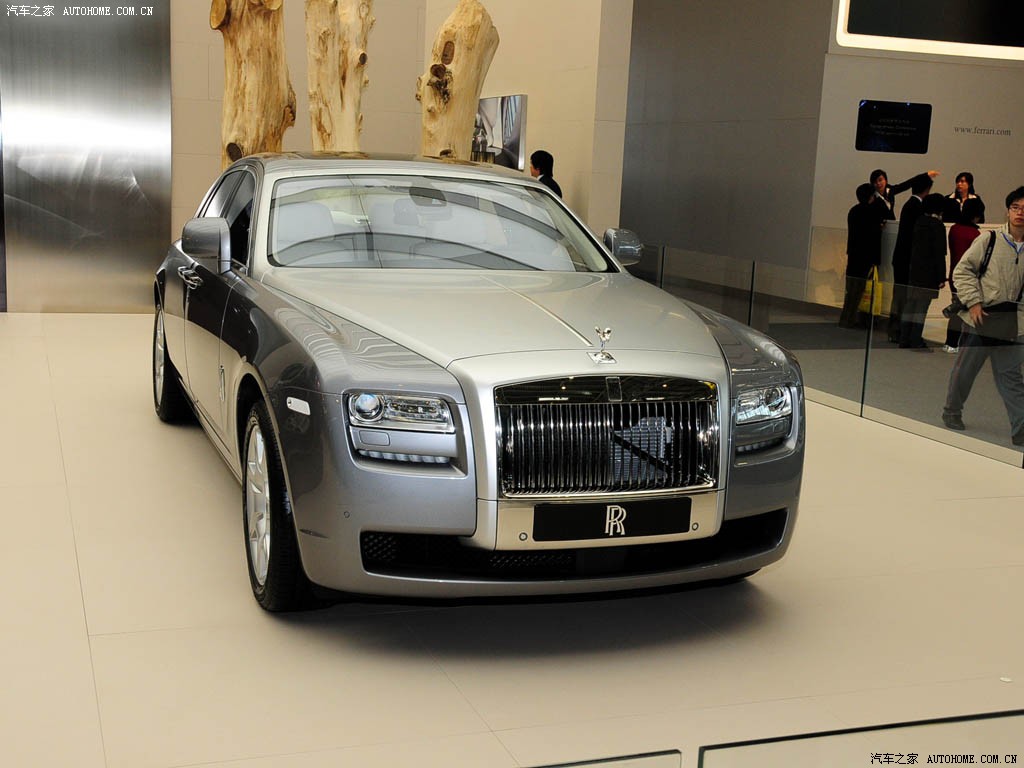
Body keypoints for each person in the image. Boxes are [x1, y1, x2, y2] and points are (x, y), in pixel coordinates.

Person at [942, 186, 1024, 446]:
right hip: (981, 319)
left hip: (1014, 323)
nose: (1020, 213)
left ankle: (1021, 427)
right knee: (965, 371)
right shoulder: (989, 240)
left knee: (1011, 377)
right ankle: (952, 411)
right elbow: (962, 271)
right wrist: (974, 303)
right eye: (1015, 207)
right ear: (1008, 210)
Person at [887, 174, 935, 341]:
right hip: (907, 258)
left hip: (900, 256)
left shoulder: (909, 205)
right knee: (903, 296)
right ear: (927, 190)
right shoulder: (916, 207)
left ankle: (897, 330)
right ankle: (899, 330)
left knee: (900, 295)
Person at [899, 193, 947, 349]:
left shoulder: (918, 222)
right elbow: (939, 253)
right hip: (929, 272)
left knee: (911, 304)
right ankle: (915, 339)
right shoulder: (937, 225)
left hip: (914, 270)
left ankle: (904, 337)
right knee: (922, 307)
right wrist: (941, 277)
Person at [943, 197, 986, 352]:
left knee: (957, 308)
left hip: (954, 273)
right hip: (969, 277)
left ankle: (950, 343)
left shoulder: (954, 229)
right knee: (965, 312)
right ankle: (958, 343)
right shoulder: (975, 234)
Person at [839, 183, 883, 328]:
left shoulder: (853, 211)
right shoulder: (873, 212)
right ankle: (851, 319)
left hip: (853, 254)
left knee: (851, 290)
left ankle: (846, 318)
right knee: (858, 290)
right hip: (866, 256)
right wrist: (876, 259)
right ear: (871, 196)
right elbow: (875, 237)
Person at [869, 168, 940, 221]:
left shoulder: (890, 190)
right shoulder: (871, 196)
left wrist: (926, 175)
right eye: (875, 182)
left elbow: (906, 184)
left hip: (891, 223)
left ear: (886, 180)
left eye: (880, 180)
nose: (878, 183)